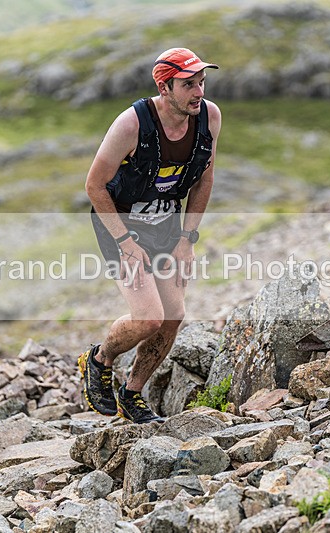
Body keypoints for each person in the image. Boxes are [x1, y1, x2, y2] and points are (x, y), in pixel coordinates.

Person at [80, 47, 222, 423]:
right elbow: (94, 186)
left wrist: (186, 240)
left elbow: (204, 179)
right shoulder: (131, 124)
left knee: (173, 315)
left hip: (166, 226)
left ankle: (132, 393)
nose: (198, 91)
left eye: (201, 82)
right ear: (165, 87)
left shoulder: (209, 117)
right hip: (120, 225)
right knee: (147, 318)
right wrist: (126, 243)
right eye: (188, 84)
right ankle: (100, 359)